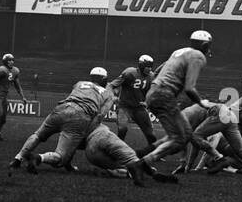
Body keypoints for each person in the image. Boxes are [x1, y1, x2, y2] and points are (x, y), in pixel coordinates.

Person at [138, 30, 215, 173]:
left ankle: (142, 155)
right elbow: (190, 88)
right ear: (205, 44)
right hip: (165, 94)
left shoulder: (179, 51)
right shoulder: (198, 56)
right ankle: (141, 163)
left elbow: (159, 70)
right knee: (179, 139)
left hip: (156, 91)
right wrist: (201, 103)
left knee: (185, 134)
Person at [11, 66, 114, 173]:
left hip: (61, 108)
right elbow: (100, 115)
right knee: (61, 157)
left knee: (38, 135)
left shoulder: (80, 83)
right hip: (79, 116)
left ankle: (17, 159)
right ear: (103, 79)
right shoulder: (108, 93)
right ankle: (38, 158)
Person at [37, 120, 177, 186]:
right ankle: (151, 173)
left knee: (121, 165)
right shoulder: (94, 113)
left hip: (90, 151)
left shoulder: (71, 125)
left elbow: (68, 151)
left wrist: (67, 166)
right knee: (131, 159)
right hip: (102, 136)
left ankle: (38, 157)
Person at [109, 54, 158, 149]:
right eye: (147, 66)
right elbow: (111, 85)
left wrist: (148, 102)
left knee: (151, 134)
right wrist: (112, 96)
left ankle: (152, 152)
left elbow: (152, 92)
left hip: (139, 107)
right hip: (125, 106)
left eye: (150, 66)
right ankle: (117, 149)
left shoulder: (151, 77)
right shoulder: (130, 73)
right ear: (141, 65)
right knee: (122, 129)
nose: (149, 69)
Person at [0, 53, 28, 140]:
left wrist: (23, 97)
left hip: (4, 96)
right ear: (5, 62)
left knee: (3, 118)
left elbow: (18, 86)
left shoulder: (15, 71)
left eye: (12, 60)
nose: (11, 62)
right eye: (9, 60)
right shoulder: (2, 70)